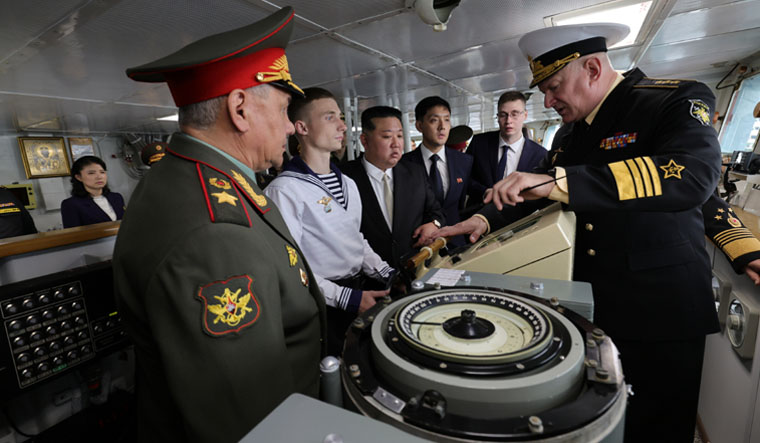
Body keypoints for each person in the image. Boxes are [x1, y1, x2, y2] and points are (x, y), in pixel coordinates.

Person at [436, 23, 721, 443]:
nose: (548, 101)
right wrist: (483, 220)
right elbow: (538, 191)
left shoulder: (672, 100)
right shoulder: (570, 132)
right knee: (603, 421)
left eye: (553, 87)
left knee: (654, 426)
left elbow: (692, 175)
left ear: (592, 69)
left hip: (659, 309)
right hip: (590, 304)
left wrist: (559, 181)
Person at [112, 8, 325, 443]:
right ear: (240, 109)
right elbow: (248, 421)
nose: (291, 126)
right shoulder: (214, 234)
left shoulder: (186, 178)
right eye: (284, 108)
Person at [265, 87, 392, 356]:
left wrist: (385, 272)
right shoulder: (284, 190)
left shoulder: (348, 184)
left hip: (359, 291)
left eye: (341, 117)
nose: (342, 126)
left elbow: (355, 238)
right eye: (329, 117)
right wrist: (346, 298)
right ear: (302, 127)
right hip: (322, 303)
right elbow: (291, 268)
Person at [341, 106, 444, 269]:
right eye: (387, 136)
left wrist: (434, 224)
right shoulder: (344, 177)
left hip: (415, 268)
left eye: (400, 136)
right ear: (364, 141)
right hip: (366, 275)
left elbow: (436, 212)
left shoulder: (415, 172)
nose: (396, 144)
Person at [401, 96, 472, 248]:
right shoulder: (403, 165)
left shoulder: (464, 161)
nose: (442, 127)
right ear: (419, 126)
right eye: (434, 120)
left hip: (456, 243)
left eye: (446, 120)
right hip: (420, 244)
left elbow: (461, 205)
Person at [467, 91, 547, 204]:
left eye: (514, 114)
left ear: (525, 115)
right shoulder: (478, 143)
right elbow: (463, 178)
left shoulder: (540, 155)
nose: (508, 121)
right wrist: (484, 192)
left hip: (520, 213)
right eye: (503, 115)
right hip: (479, 209)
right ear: (498, 117)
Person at [60, 155, 125, 228]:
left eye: (102, 172)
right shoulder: (71, 204)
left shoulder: (117, 197)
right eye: (91, 173)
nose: (99, 177)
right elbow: (73, 233)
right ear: (79, 177)